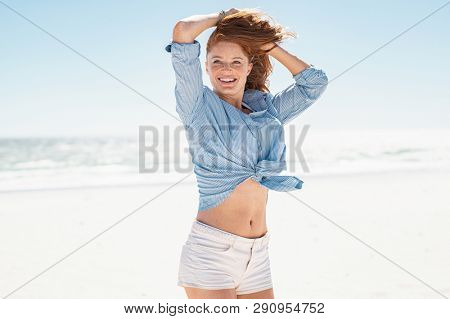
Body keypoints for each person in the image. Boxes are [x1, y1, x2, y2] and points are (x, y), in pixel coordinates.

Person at [165, 8, 328, 299]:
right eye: (217, 61)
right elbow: (183, 31)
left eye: (236, 62)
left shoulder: (266, 111)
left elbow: (313, 84)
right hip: (211, 253)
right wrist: (226, 18)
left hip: (258, 254)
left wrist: (267, 45)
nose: (226, 70)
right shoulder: (198, 107)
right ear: (205, 67)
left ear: (249, 67)